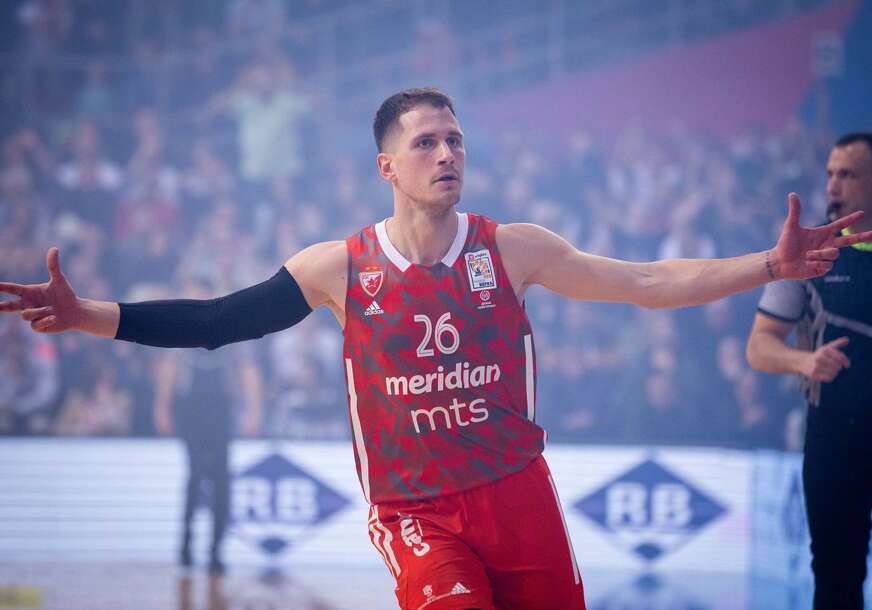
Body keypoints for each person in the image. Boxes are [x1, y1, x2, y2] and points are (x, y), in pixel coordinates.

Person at [2, 88, 871, 610]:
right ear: (387, 167)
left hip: (518, 493)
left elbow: (647, 281)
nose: (447, 152)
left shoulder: (512, 248)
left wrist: (769, 264)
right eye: (426, 142)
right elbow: (218, 320)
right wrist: (90, 315)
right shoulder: (340, 266)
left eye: (455, 139)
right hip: (416, 511)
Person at [747, 132, 872, 610]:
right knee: (836, 575)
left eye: (848, 174)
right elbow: (759, 347)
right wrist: (805, 361)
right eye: (830, 174)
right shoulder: (808, 252)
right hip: (834, 436)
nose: (833, 185)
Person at [152, 276, 262, 575]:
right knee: (195, 474)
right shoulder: (180, 328)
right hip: (191, 410)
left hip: (221, 410)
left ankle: (216, 550)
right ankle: (187, 544)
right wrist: (162, 407)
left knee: (221, 478)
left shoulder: (230, 327)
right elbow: (169, 368)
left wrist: (253, 410)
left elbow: (248, 369)